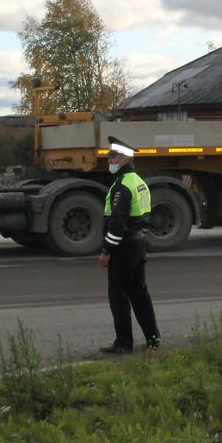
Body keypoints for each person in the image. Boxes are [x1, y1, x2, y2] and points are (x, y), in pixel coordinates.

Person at [97, 136, 161, 354]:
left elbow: (117, 224)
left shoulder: (122, 187)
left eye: (112, 156)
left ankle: (124, 343)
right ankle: (153, 339)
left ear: (124, 158)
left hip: (123, 249)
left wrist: (107, 250)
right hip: (138, 245)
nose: (109, 159)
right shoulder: (139, 182)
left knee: (119, 296)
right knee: (140, 293)